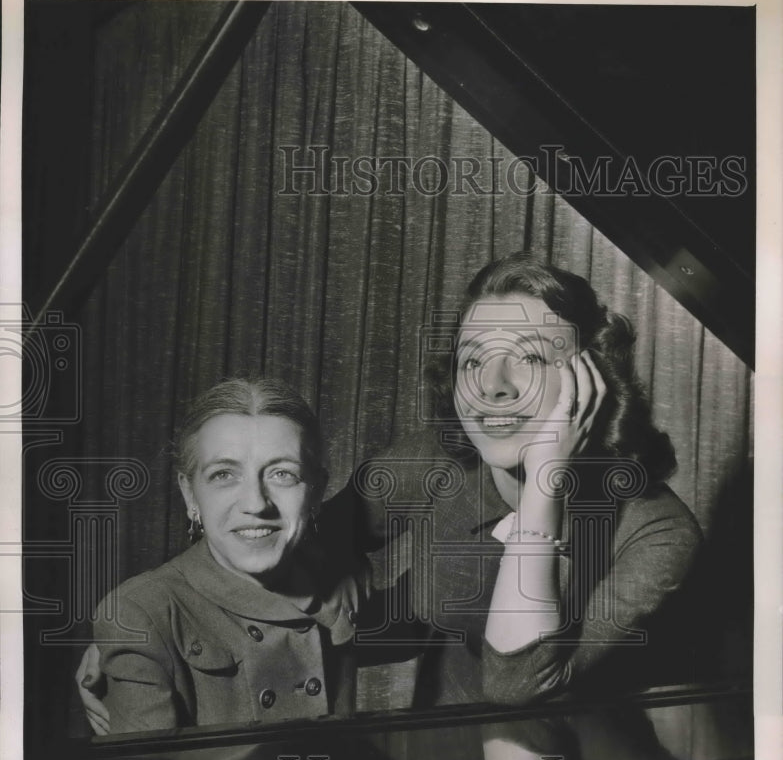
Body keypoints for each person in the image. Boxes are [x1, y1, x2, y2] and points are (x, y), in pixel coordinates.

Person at [341, 251, 703, 704]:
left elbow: (517, 688)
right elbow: (303, 538)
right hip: (440, 753)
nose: (491, 385)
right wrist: (336, 566)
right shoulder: (432, 459)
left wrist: (544, 483)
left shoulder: (658, 534)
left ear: (590, 381)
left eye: (529, 358)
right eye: (472, 361)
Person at [81, 377, 368, 735]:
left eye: (282, 473)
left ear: (315, 492)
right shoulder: (141, 614)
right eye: (223, 475)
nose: (255, 504)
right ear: (190, 495)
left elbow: (440, 458)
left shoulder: (340, 584)